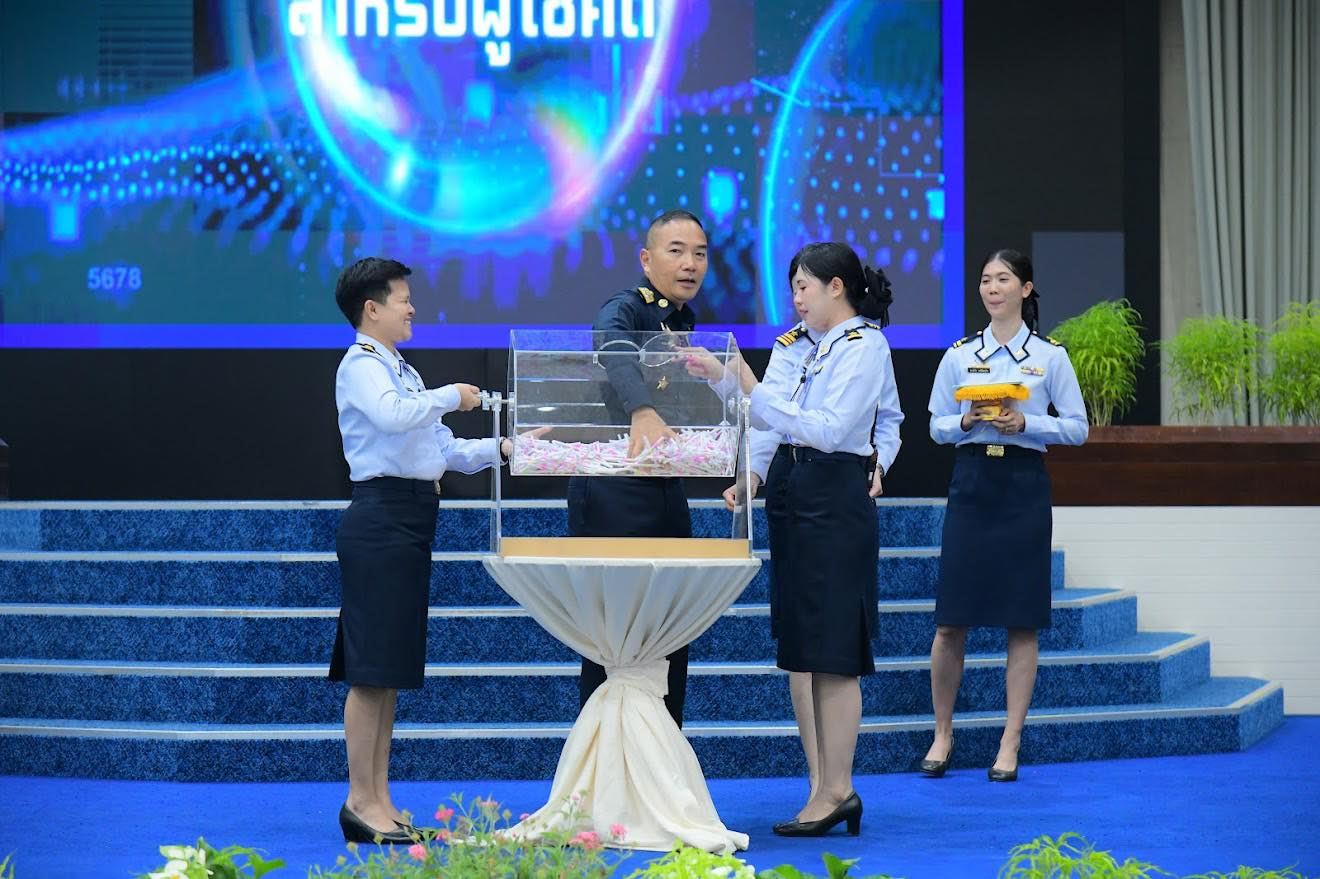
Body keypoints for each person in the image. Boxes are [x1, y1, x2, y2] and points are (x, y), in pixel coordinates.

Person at [714, 241, 902, 836]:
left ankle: (839, 788)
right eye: (793, 287)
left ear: (835, 287)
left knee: (834, 648)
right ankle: (821, 784)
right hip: (793, 490)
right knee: (803, 647)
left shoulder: (864, 345)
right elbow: (770, 424)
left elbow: (830, 429)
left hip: (834, 492)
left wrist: (749, 386)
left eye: (803, 287)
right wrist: (751, 475)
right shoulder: (796, 345)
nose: (795, 299)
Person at [329, 256, 512, 843]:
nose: (412, 308)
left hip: (409, 520)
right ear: (371, 309)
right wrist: (451, 394)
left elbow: (443, 450)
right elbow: (393, 417)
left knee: (389, 669)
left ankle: (380, 798)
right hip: (380, 519)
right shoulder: (362, 365)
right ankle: (360, 801)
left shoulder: (400, 369)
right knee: (369, 670)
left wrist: (503, 449)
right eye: (403, 299)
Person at [920, 249, 1088, 782]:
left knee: (1022, 618)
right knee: (951, 620)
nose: (992, 288)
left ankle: (1010, 741)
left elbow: (1078, 427)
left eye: (1003, 279)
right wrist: (966, 421)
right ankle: (942, 734)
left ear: (1026, 288)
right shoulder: (960, 354)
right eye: (985, 280)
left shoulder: (1049, 356)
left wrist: (1029, 424)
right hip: (972, 482)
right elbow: (934, 425)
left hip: (1022, 486)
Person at [568, 208, 709, 728]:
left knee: (671, 628)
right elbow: (613, 346)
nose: (690, 263)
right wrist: (641, 409)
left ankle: (663, 751)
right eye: (677, 251)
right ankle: (608, 757)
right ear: (646, 259)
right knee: (615, 633)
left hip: (665, 483)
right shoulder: (625, 308)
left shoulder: (683, 320)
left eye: (700, 253)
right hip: (614, 490)